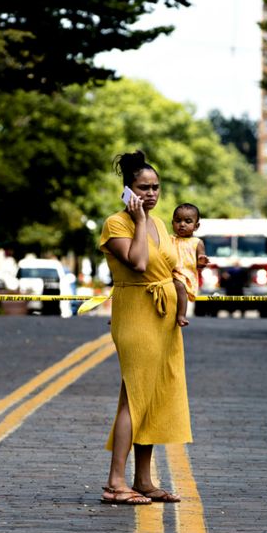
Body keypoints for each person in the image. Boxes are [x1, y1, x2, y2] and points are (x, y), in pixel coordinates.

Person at [98, 150, 191, 505]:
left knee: (152, 398)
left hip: (164, 317)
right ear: (128, 191)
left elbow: (168, 265)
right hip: (136, 312)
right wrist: (137, 221)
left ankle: (142, 480)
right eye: (143, 187)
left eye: (155, 187)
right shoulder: (117, 223)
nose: (151, 194)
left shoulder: (160, 224)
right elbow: (138, 263)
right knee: (134, 397)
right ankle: (115, 482)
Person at [171, 203, 209, 327]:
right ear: (172, 223)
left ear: (196, 226)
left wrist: (201, 261)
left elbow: (201, 258)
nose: (182, 224)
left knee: (179, 286)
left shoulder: (197, 242)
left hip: (185, 275)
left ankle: (181, 315)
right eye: (178, 221)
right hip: (169, 272)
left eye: (187, 221)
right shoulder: (170, 239)